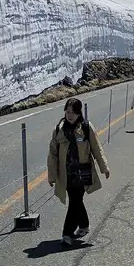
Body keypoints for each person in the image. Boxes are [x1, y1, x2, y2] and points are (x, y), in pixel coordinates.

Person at [47, 98, 110, 247]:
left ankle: (67, 233)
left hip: (82, 172)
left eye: (73, 113)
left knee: (75, 200)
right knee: (76, 200)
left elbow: (96, 148)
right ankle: (83, 225)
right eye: (68, 112)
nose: (70, 115)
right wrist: (52, 175)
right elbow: (52, 154)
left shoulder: (86, 127)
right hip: (66, 174)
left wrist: (104, 167)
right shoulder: (59, 130)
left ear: (79, 113)